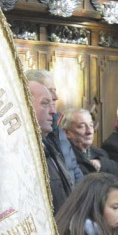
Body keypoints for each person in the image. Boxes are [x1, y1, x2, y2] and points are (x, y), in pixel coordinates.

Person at [25, 69, 82, 184]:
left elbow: (73, 168)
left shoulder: (56, 126)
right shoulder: (37, 133)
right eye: (50, 90)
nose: (56, 97)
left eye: (55, 90)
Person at [29, 80, 72, 212]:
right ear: (26, 106)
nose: (53, 111)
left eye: (52, 104)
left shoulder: (49, 144)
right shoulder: (21, 152)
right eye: (45, 103)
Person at [61, 107, 118, 182]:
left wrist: (102, 164)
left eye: (91, 125)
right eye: (82, 126)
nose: (89, 131)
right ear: (67, 132)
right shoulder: (64, 156)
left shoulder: (100, 153)